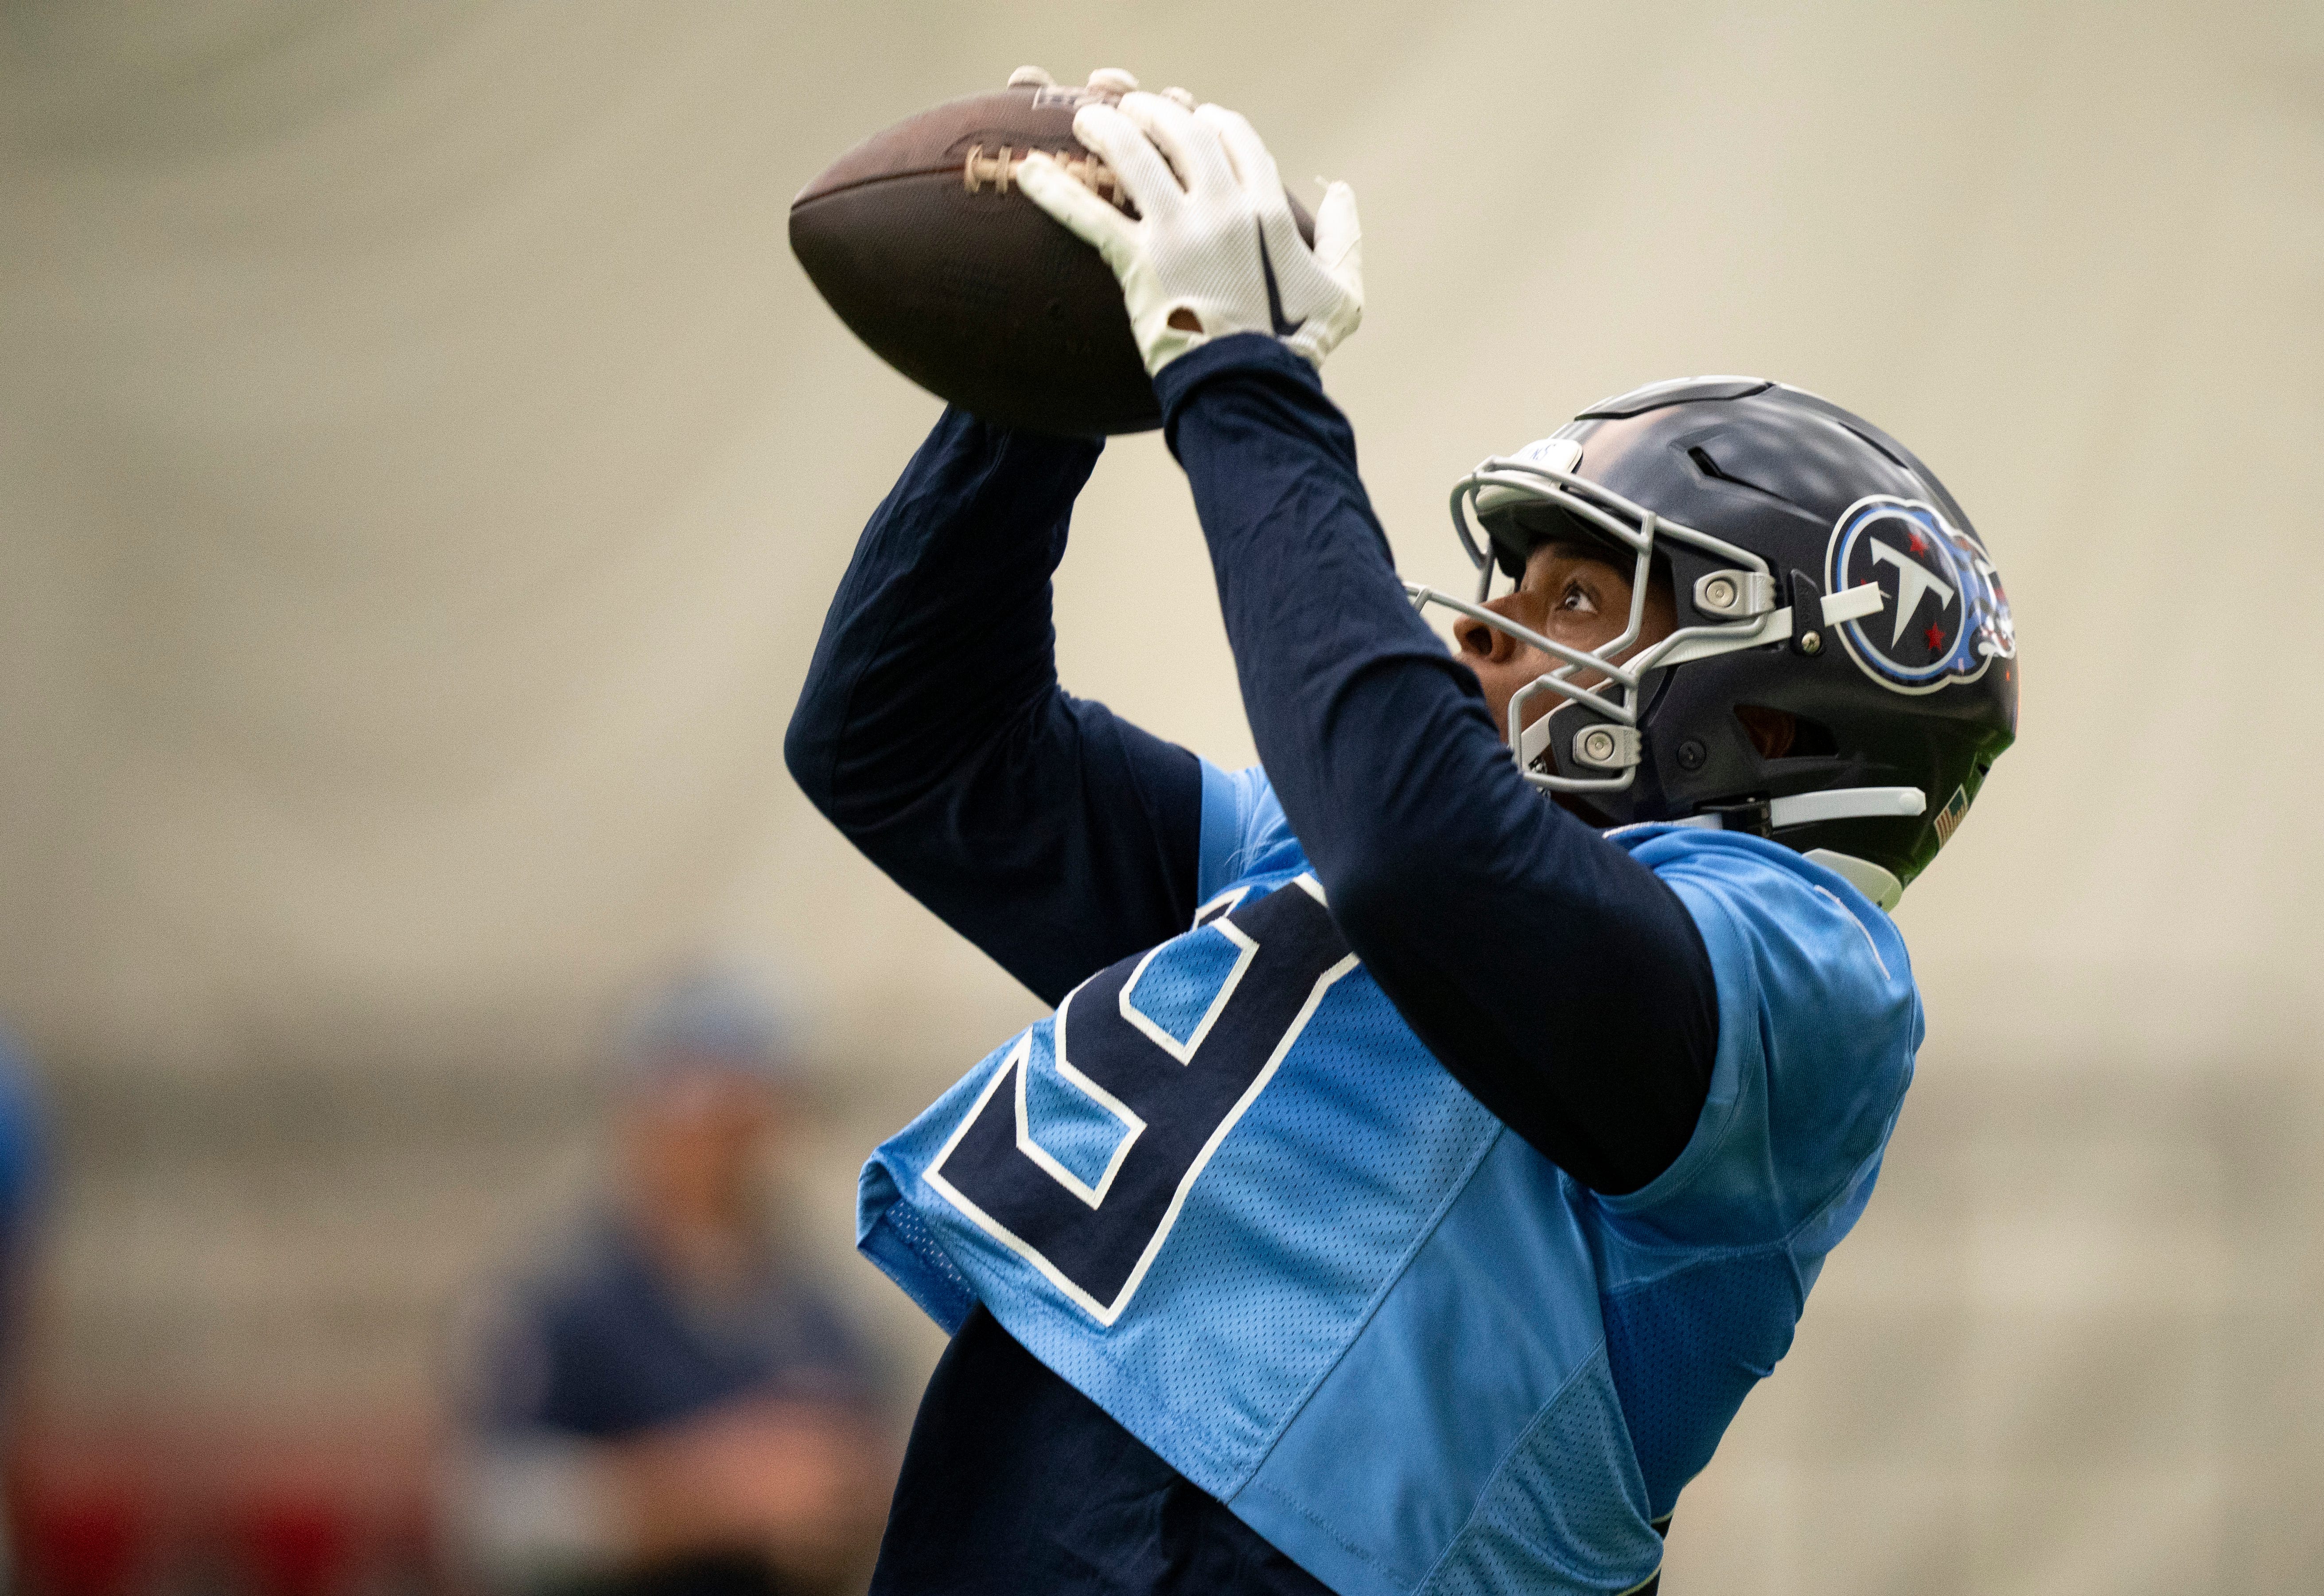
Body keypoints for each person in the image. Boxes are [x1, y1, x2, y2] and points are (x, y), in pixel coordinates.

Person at [786, 66, 2017, 1596]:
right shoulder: (1317, 860)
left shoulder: (1811, 977)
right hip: (1012, 1493)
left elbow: (1430, 861)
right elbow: (905, 743)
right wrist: (1053, 373)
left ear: (1769, 718)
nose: (1482, 639)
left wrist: (1234, 373)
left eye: (1568, 597)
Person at [442, 972, 888, 1596]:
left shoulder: (819, 1314)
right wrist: (714, 1494)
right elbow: (499, 1522)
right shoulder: (564, 1301)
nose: (719, 1142)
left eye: (745, 1110)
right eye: (700, 1112)